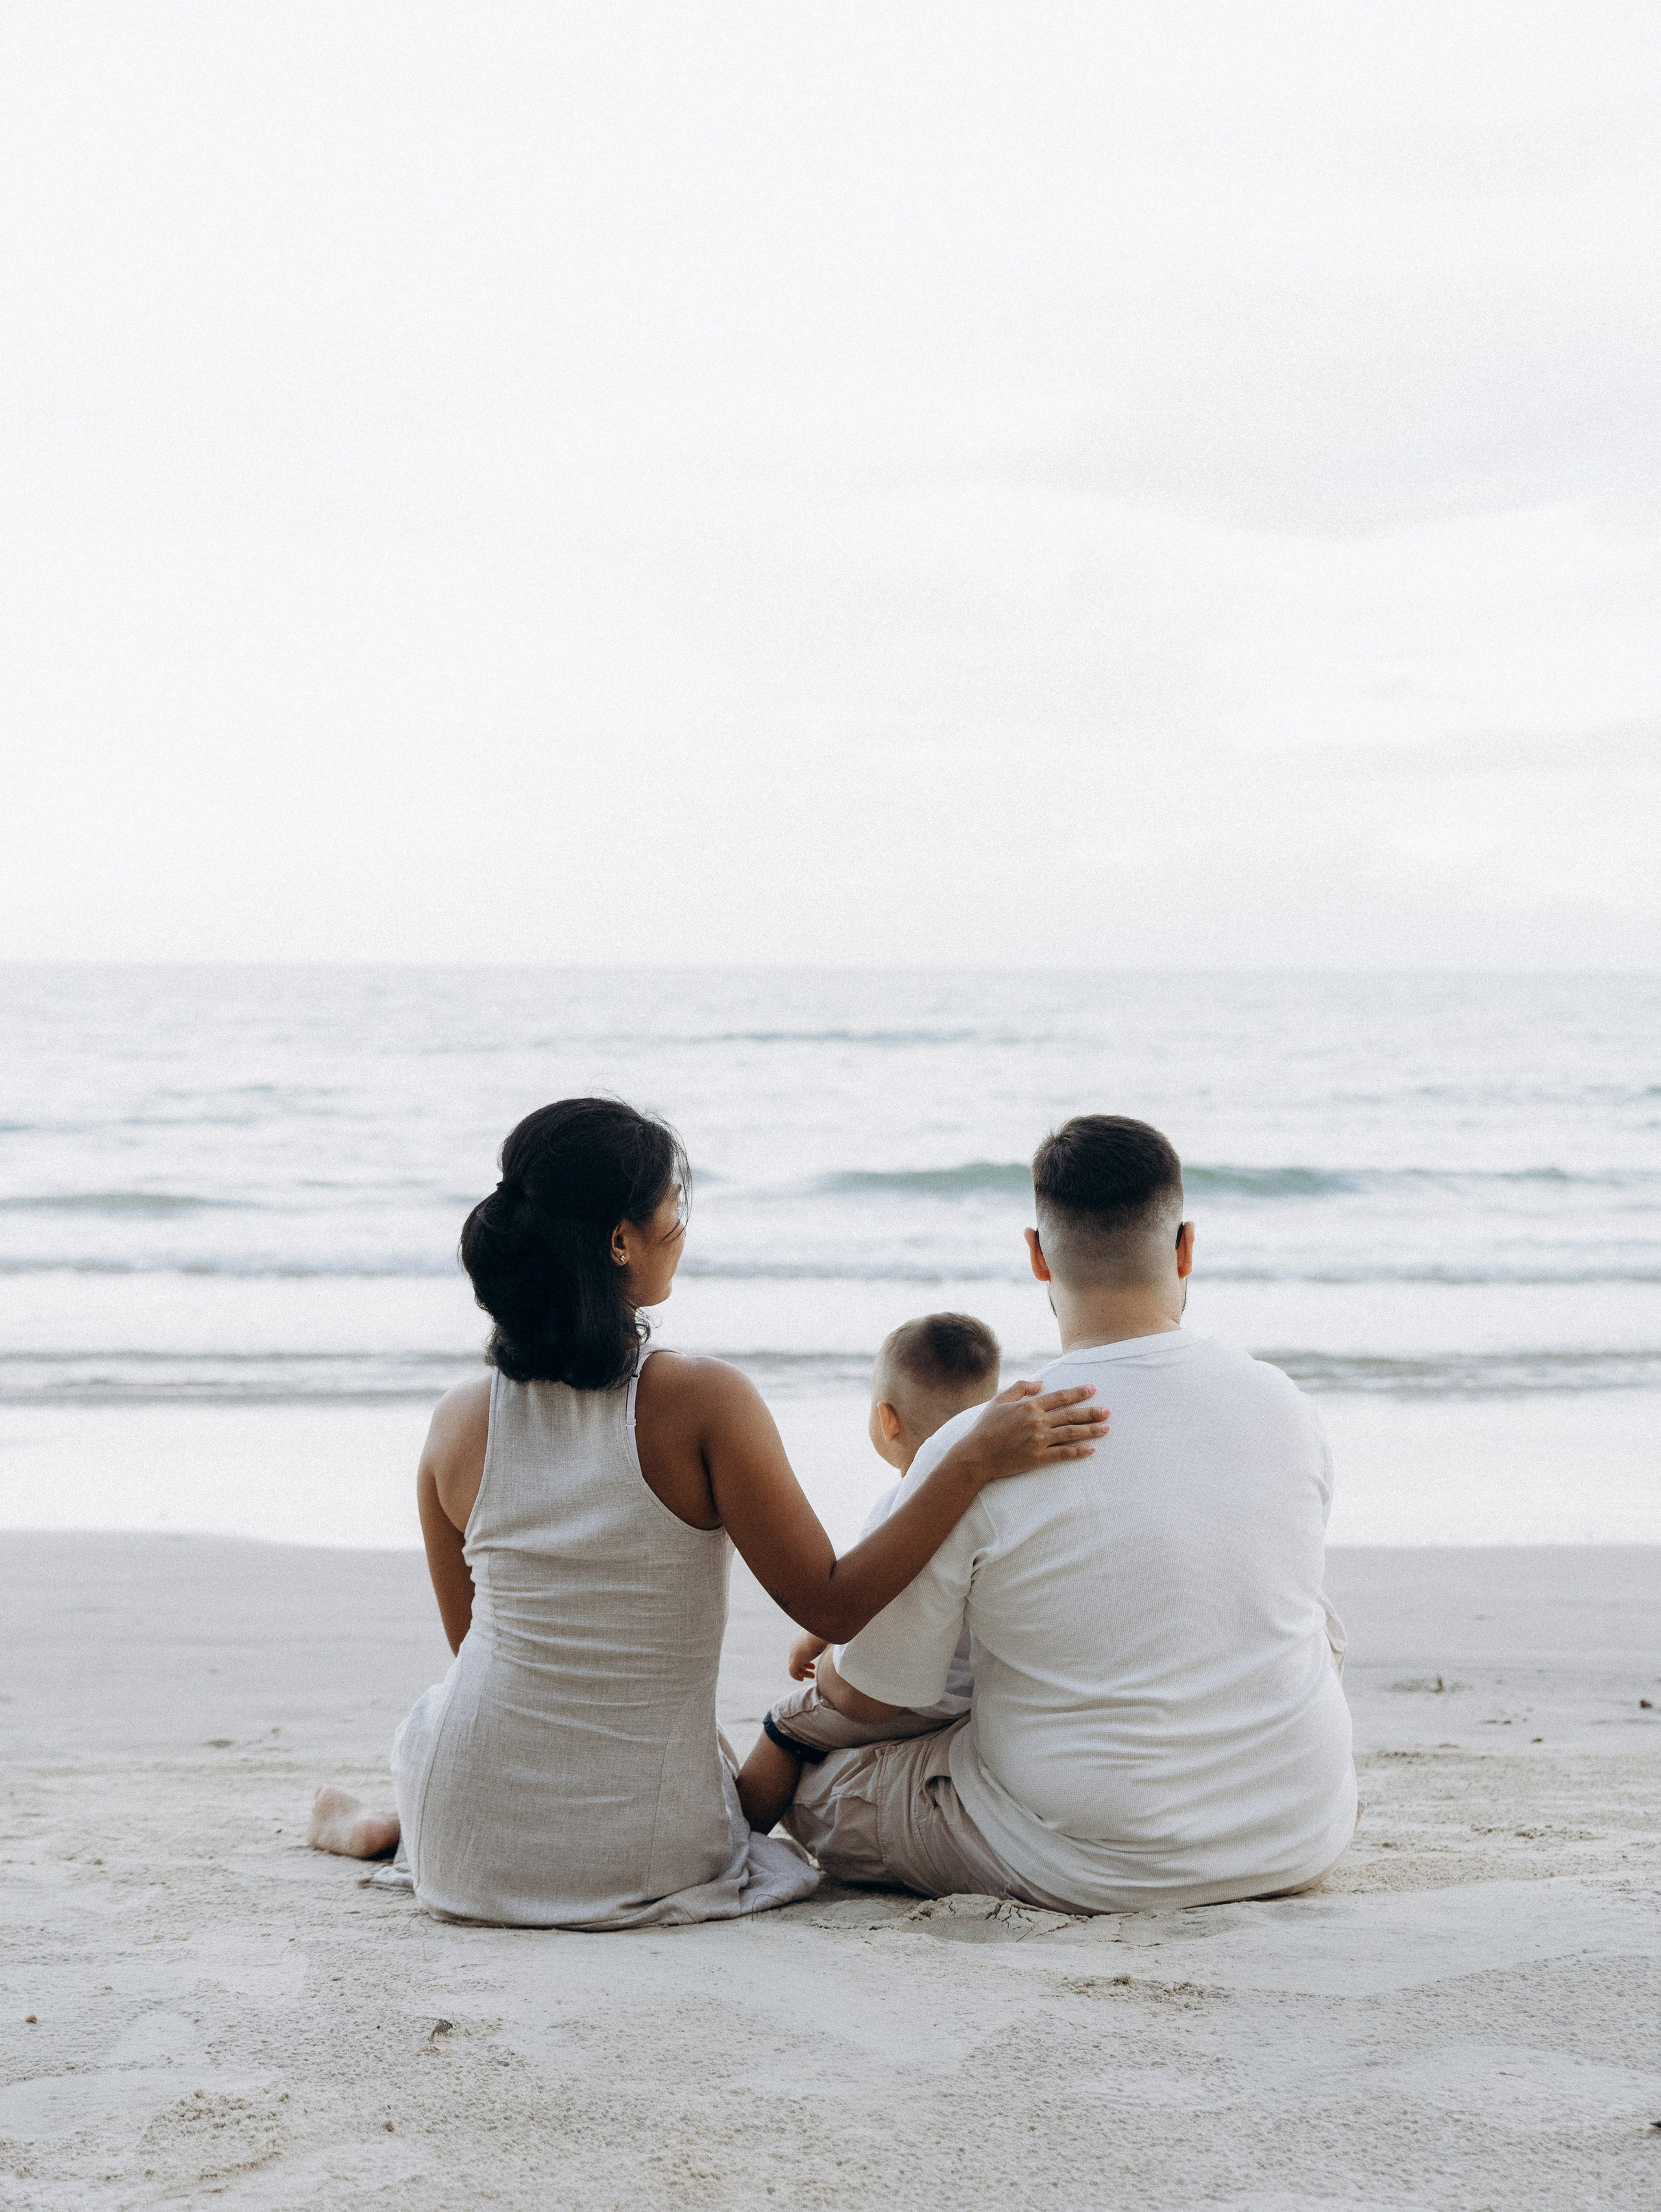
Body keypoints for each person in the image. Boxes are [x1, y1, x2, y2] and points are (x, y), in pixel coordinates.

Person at [306, 1097, 1107, 1930]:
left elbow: (471, 1644)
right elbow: (830, 1603)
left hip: (465, 1839)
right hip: (644, 1853)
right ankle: (391, 1821)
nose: (681, 1227)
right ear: (621, 1240)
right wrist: (970, 1456)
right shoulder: (703, 1401)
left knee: (454, 1722)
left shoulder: (458, 1419)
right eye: (671, 1208)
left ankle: (392, 1824)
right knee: (734, 1763)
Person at [783, 1114, 1357, 1914]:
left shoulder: (982, 1445)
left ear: (1036, 1254)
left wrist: (814, 1692)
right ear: (1186, 1247)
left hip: (1087, 1858)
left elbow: (874, 1701)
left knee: (821, 1786)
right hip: (1299, 1830)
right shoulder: (1285, 1404)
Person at [735, 1312, 1001, 1832]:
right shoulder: (996, 1503)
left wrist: (814, 1639)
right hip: (972, 1704)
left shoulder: (898, 1511)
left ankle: (736, 1841)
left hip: (908, 1701)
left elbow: (863, 1599)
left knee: (786, 1726)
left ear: (888, 1420)